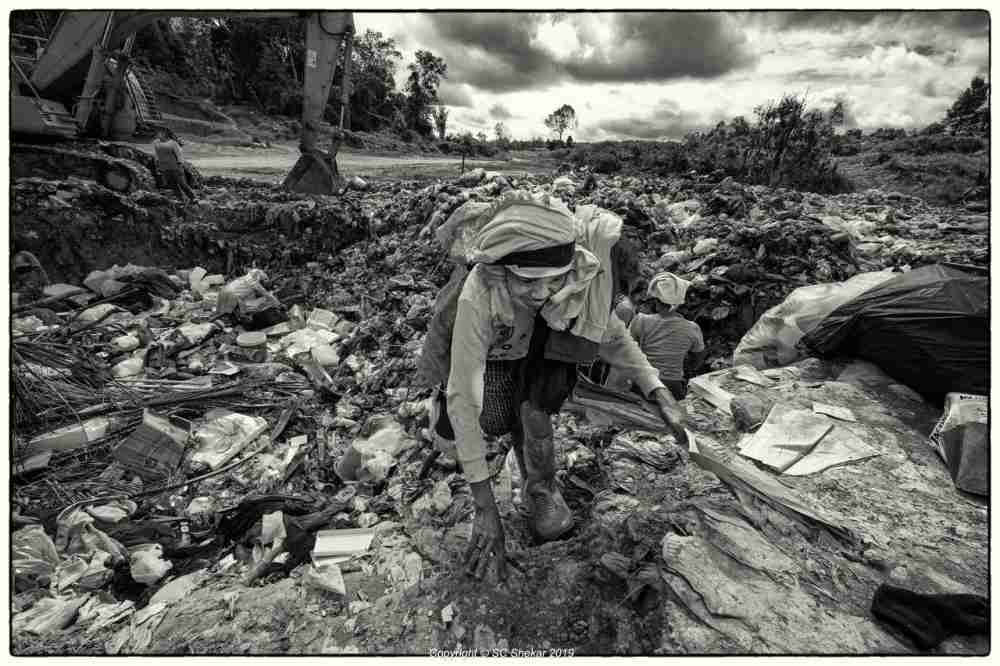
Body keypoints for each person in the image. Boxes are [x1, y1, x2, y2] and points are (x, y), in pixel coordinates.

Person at [419, 192, 688, 583]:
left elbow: (612, 335)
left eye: (553, 282)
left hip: (541, 348)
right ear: (503, 271)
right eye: (530, 283)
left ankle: (540, 489)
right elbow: (465, 390)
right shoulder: (480, 294)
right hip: (498, 354)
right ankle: (479, 430)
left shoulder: (574, 275)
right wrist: (484, 506)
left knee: (533, 412)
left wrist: (658, 391)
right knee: (481, 419)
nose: (544, 293)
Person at [628, 272, 707, 401]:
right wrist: (687, 368)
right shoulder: (692, 328)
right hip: (673, 386)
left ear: (655, 300)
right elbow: (699, 357)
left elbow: (628, 349)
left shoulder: (641, 320)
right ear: (681, 301)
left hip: (644, 383)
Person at [153, 127, 195, 202]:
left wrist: (180, 166)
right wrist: (157, 165)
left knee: (182, 184)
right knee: (172, 185)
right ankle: (181, 200)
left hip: (175, 167)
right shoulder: (156, 143)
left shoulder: (173, 143)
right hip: (164, 168)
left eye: (160, 133)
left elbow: (179, 155)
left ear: (165, 134)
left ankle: (193, 198)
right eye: (158, 133)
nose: (158, 134)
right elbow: (157, 155)